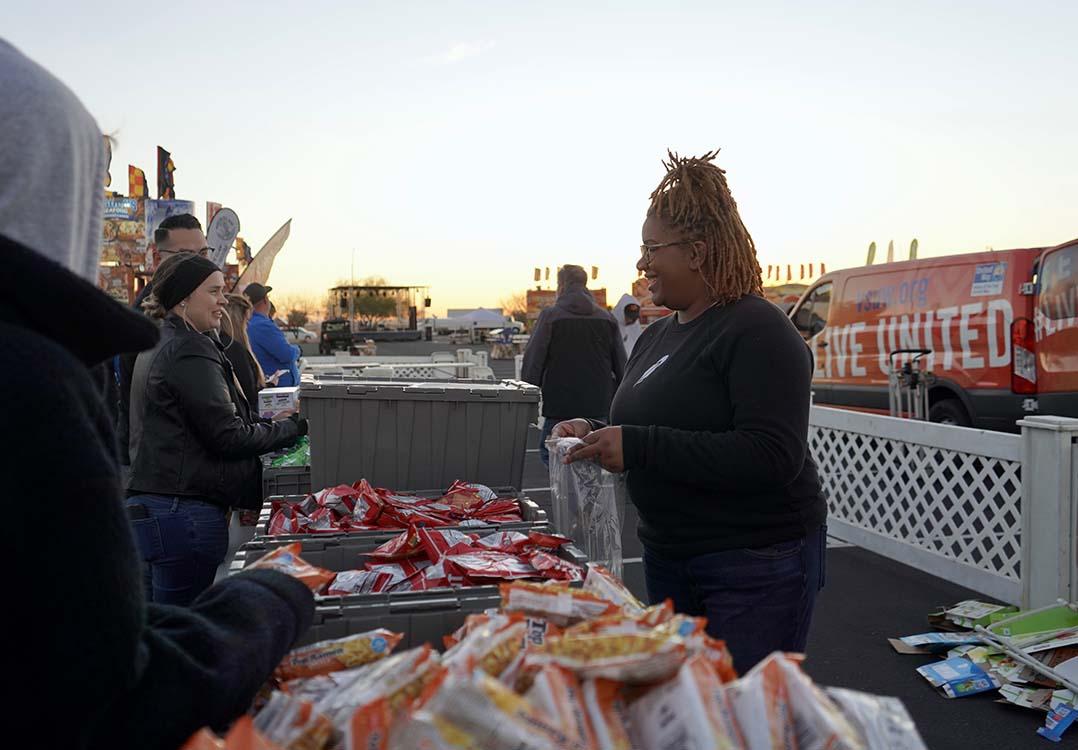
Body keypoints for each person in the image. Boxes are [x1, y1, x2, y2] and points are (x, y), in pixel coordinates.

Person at [1, 38, 313, 750]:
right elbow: (106, 687)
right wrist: (273, 598)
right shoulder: (33, 377)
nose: (223, 294)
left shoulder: (190, 340)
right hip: (180, 510)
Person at [555, 150, 827, 674]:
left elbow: (772, 454)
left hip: (752, 564)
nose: (641, 264)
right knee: (687, 709)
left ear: (699, 252)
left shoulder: (758, 329)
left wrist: (638, 445)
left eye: (652, 249)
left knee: (742, 717)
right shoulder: (658, 333)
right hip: (671, 556)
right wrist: (593, 431)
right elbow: (660, 416)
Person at [127, 254, 307, 605]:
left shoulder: (159, 341)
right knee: (182, 629)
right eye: (214, 291)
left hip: (156, 507)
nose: (223, 300)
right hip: (185, 514)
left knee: (157, 628)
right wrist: (292, 428)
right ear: (183, 298)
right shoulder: (189, 348)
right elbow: (228, 435)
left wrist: (270, 424)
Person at [115, 213, 210, 474]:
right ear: (158, 259)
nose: (198, 264)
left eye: (203, 253)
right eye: (185, 255)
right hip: (160, 476)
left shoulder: (193, 311)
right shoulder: (144, 322)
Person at [521, 265, 626, 466]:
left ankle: (565, 493)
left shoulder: (551, 316)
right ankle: (587, 495)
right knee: (593, 455)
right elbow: (622, 365)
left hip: (560, 403)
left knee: (550, 453)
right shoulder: (606, 318)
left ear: (561, 285)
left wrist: (527, 397)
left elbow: (534, 361)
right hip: (598, 403)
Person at [245, 282, 301, 387]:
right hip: (278, 393)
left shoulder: (249, 323)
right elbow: (286, 354)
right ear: (265, 300)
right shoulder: (262, 325)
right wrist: (298, 350)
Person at [223, 292, 266, 410]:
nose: (247, 326)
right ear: (238, 320)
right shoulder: (236, 350)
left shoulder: (218, 344)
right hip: (248, 419)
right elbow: (248, 393)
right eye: (246, 321)